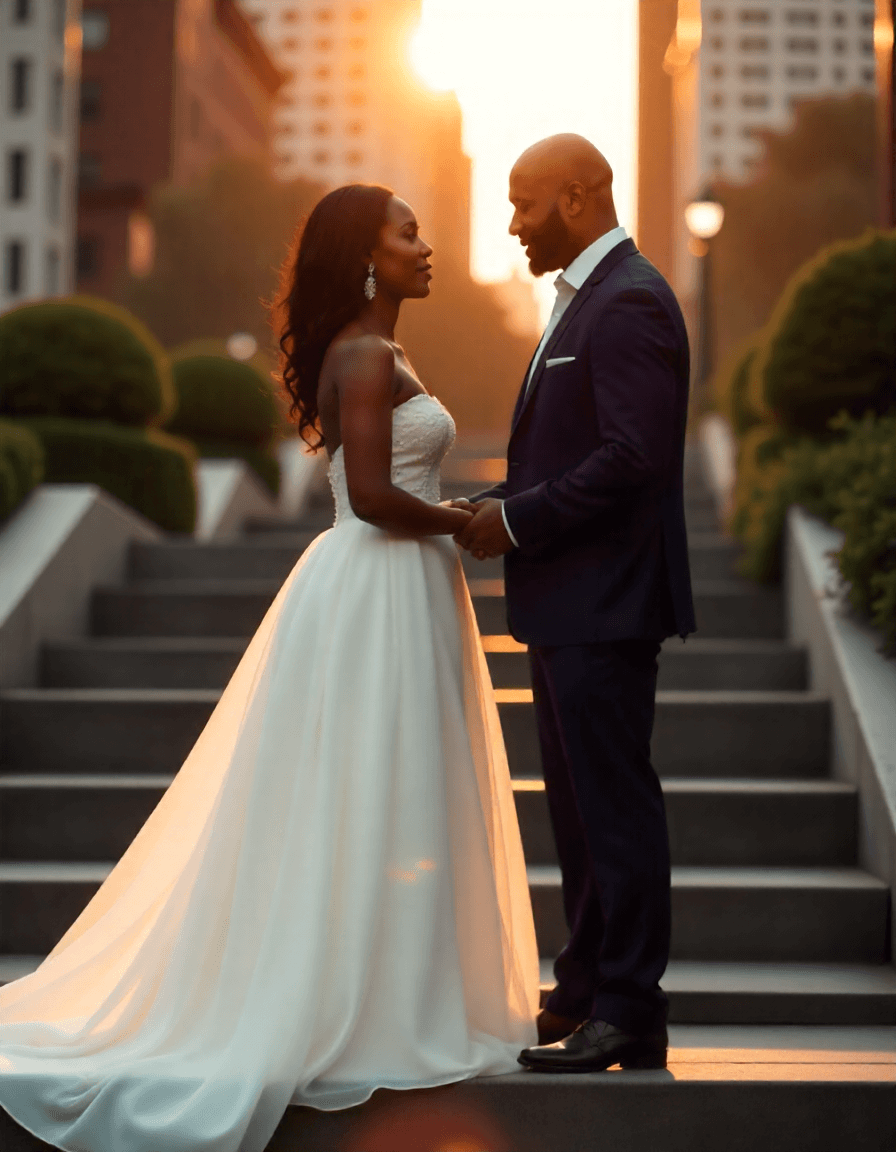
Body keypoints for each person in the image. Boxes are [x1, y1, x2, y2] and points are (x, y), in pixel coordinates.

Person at [0, 184, 539, 1152]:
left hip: (404, 585)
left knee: (397, 790)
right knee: (369, 789)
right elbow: (370, 495)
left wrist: (454, 517)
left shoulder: (382, 350)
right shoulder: (365, 355)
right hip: (377, 584)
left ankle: (391, 992)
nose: (425, 247)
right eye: (407, 233)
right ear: (365, 257)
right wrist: (465, 520)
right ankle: (358, 1005)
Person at [454, 134, 696, 1073]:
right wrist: (500, 513)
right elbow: (576, 450)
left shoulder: (627, 300)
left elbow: (634, 457)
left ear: (577, 197)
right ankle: (586, 988)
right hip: (569, 606)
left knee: (613, 807)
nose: (513, 223)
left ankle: (630, 1006)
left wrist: (515, 521)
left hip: (607, 603)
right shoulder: (586, 300)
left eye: (525, 204)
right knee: (580, 812)